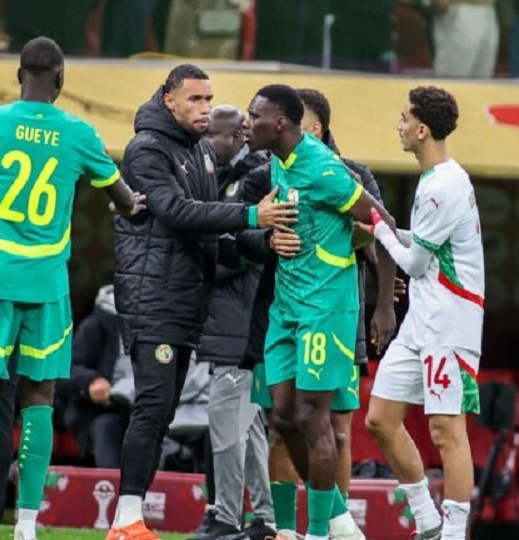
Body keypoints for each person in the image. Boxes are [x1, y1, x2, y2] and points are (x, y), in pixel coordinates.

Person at [0, 36, 145, 540]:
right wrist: (134, 204)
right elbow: (127, 202)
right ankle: (27, 525)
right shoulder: (79, 134)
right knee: (39, 397)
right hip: (47, 286)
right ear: (61, 80)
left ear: (19, 76)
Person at [108, 65, 295, 540]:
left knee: (161, 413)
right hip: (153, 298)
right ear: (168, 99)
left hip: (188, 300)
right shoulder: (146, 149)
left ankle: (130, 518)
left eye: (209, 99)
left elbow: (211, 239)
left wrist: (261, 243)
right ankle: (125, 518)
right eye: (195, 99)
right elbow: (176, 212)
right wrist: (251, 214)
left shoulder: (201, 153)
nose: (205, 108)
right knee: (152, 407)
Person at [246, 84, 391, 540]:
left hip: (325, 308)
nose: (248, 123)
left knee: (315, 418)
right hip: (286, 307)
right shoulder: (278, 160)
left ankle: (317, 533)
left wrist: (384, 304)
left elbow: (380, 224)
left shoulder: (325, 169)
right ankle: (338, 519)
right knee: (282, 417)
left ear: (279, 124)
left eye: (254, 116)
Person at [365, 86, 484, 540]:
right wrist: (388, 230)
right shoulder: (437, 180)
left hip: (450, 323)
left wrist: (381, 229)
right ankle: (428, 520)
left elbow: (414, 265)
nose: (398, 125)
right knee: (380, 418)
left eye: (404, 117)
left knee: (446, 431)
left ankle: (453, 533)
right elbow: (427, 246)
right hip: (423, 319)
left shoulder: (444, 185)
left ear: (422, 130)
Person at [192, 104, 275, 540]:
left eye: (214, 134)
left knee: (226, 425)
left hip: (238, 325)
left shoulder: (253, 181)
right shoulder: (225, 179)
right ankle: (265, 518)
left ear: (238, 136)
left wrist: (200, 257)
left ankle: (225, 516)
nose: (206, 142)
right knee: (249, 427)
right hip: (239, 323)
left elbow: (249, 250)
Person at [57, 284, 132, 469]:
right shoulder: (96, 325)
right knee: (105, 427)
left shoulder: (166, 326)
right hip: (105, 410)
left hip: (153, 411)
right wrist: (91, 381)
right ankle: (110, 484)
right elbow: (64, 371)